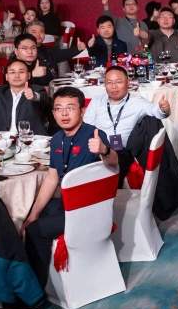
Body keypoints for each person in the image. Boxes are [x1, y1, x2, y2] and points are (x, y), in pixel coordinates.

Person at [21, 87, 120, 285]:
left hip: (89, 211)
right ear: (53, 113)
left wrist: (104, 149)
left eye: (70, 108)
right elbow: (52, 178)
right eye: (59, 109)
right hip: (69, 205)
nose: (64, 114)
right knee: (28, 217)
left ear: (82, 111)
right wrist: (33, 214)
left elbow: (114, 162)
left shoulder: (94, 134)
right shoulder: (57, 139)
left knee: (34, 231)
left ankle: (35, 288)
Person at [86, 64, 168, 154]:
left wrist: (163, 109)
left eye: (118, 82)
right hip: (98, 150)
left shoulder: (137, 101)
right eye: (109, 82)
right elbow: (86, 126)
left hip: (124, 153)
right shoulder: (97, 101)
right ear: (104, 84)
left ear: (128, 82)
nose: (114, 86)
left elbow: (156, 111)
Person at [0, 58, 49, 136]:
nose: (17, 76)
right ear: (6, 77)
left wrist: (35, 96)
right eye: (12, 72)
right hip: (2, 139)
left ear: (29, 75)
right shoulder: (1, 92)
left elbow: (46, 99)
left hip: (31, 139)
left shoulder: (37, 90)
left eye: (21, 72)